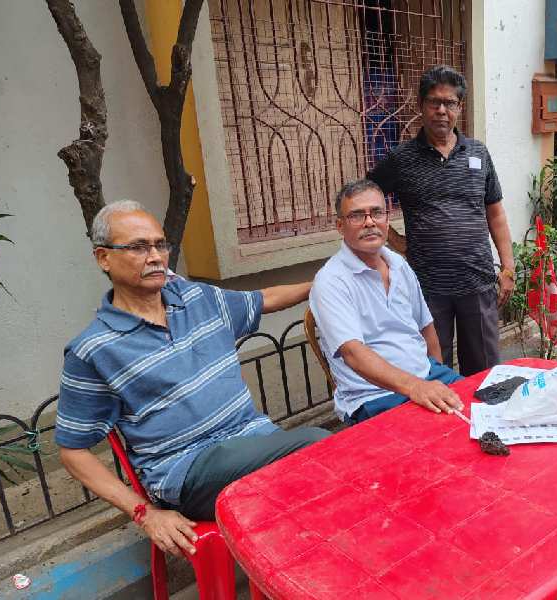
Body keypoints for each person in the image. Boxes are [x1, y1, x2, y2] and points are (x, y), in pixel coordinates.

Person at [56, 200, 329, 557]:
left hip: (253, 440)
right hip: (188, 471)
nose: (155, 256)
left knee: (322, 482)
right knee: (317, 447)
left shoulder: (199, 298)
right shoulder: (94, 349)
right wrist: (144, 513)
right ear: (103, 258)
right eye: (138, 247)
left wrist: (323, 282)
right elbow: (73, 451)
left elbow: (263, 298)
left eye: (160, 244)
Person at [367, 65, 514, 377]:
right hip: (427, 288)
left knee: (485, 372)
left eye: (450, 103)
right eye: (434, 102)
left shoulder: (478, 153)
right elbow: (364, 201)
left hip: (477, 281)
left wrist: (508, 266)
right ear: (421, 106)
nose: (441, 111)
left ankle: (482, 425)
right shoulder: (402, 159)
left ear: (460, 108)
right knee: (433, 370)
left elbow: (496, 213)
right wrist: (395, 241)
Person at [310, 179, 464, 424]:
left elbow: (426, 327)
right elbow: (354, 354)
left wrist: (437, 374)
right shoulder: (331, 281)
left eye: (377, 213)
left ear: (387, 219)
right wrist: (416, 387)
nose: (369, 222)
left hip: (425, 377)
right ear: (340, 225)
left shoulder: (399, 264)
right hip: (374, 397)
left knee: (484, 415)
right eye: (357, 216)